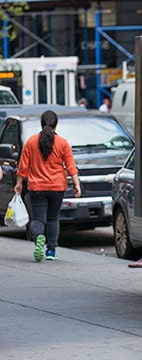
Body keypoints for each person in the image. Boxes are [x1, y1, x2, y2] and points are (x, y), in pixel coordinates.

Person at [15, 110, 81, 261]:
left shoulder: (31, 142)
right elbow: (71, 167)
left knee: (38, 219)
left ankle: (39, 237)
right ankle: (51, 251)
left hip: (37, 187)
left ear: (42, 123)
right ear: (56, 125)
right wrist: (77, 184)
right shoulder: (63, 143)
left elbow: (23, 167)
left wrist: (19, 183)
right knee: (53, 218)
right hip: (57, 187)